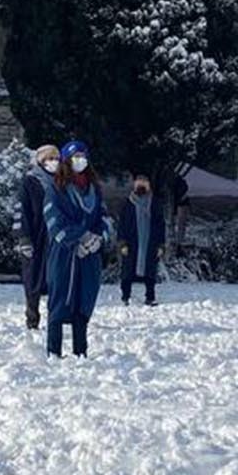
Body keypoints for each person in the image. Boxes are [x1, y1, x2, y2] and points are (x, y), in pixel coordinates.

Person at [43, 140, 115, 357]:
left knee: (84, 299)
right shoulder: (56, 190)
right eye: (75, 156)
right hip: (64, 254)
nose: (80, 160)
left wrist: (98, 239)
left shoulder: (94, 190)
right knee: (59, 299)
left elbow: (103, 217)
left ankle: (80, 351)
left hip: (90, 254)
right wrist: (79, 238)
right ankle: (53, 351)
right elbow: (54, 221)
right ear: (66, 161)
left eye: (83, 156)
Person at [18, 145, 59, 329]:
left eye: (56, 158)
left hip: (57, 234)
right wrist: (24, 237)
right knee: (33, 277)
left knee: (56, 278)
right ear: (41, 160)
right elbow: (23, 209)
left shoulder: (62, 181)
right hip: (36, 233)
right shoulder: (30, 181)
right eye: (49, 158)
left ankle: (55, 317)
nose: (54, 162)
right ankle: (32, 317)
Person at [118, 174, 167, 306]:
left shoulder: (155, 203)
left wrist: (161, 245)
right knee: (127, 271)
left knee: (150, 271)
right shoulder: (128, 203)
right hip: (131, 243)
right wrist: (122, 243)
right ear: (134, 185)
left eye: (144, 183)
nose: (141, 186)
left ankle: (150, 297)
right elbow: (121, 224)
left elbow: (160, 224)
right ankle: (125, 296)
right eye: (139, 183)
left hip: (150, 242)